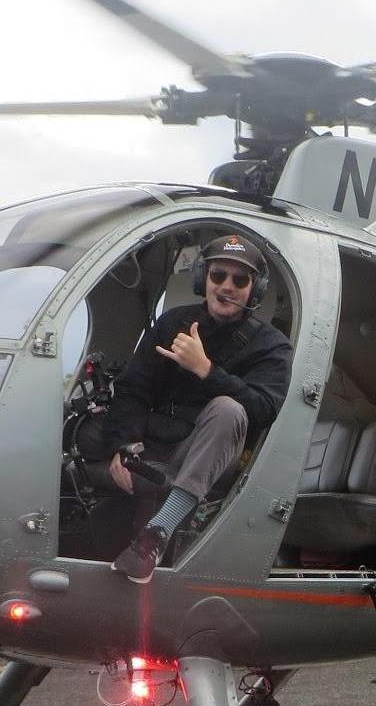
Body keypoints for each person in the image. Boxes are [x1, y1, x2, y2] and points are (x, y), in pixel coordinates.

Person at [99, 229, 292, 583]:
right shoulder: (172, 324)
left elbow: (264, 409)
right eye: (218, 275)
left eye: (240, 279)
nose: (227, 286)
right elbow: (133, 389)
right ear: (204, 279)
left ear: (255, 289)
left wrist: (205, 370)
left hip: (212, 460)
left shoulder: (271, 347)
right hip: (153, 448)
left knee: (228, 409)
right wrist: (122, 446)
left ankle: (157, 534)